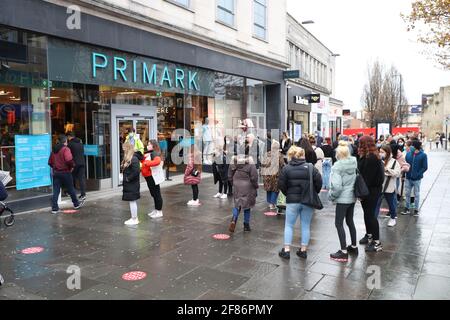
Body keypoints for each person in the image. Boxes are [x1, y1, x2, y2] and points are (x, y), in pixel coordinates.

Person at [278, 146, 322, 260]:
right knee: (306, 225)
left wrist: (288, 193)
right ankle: (303, 250)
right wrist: (314, 192)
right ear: (302, 156)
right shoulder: (311, 167)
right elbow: (319, 182)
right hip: (307, 200)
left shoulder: (286, 169)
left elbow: (281, 185)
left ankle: (286, 250)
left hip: (292, 201)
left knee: (289, 225)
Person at [329, 141, 358, 262]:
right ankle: (354, 246)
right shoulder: (353, 162)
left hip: (342, 199)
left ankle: (343, 251)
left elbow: (337, 186)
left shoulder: (337, 166)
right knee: (350, 221)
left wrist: (331, 196)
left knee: (339, 223)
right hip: (352, 197)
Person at [357, 136, 384, 252]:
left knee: (371, 215)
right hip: (368, 190)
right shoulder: (368, 156)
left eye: (360, 143)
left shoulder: (371, 158)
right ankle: (369, 235)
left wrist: (361, 194)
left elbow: (367, 178)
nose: (358, 146)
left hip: (371, 191)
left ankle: (377, 242)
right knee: (367, 214)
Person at [48, 135, 85, 214]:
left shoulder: (53, 150)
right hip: (65, 172)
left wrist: (55, 167)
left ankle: (54, 208)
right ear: (65, 142)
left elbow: (50, 162)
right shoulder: (66, 149)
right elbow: (69, 160)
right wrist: (72, 166)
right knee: (71, 189)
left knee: (56, 191)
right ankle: (76, 204)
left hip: (56, 173)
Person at [228, 151, 258, 233]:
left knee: (237, 204)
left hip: (237, 184)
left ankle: (234, 219)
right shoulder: (250, 162)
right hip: (247, 185)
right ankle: (246, 225)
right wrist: (255, 186)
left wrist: (233, 183)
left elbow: (229, 175)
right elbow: (254, 177)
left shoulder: (233, 161)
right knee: (247, 206)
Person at [375, 145, 401, 227]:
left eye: (382, 152)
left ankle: (393, 218)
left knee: (391, 204)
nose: (380, 153)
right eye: (380, 152)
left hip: (389, 187)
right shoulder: (379, 161)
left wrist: (387, 169)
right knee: (376, 204)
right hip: (379, 186)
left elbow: (397, 173)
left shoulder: (394, 162)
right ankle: (374, 220)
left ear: (388, 152)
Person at [403, 140, 428, 216]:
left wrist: (418, 174)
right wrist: (405, 173)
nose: (410, 147)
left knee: (416, 194)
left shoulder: (423, 155)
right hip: (408, 177)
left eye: (412, 146)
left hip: (417, 179)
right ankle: (407, 208)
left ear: (415, 147)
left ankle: (416, 210)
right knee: (407, 193)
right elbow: (406, 164)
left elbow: (425, 167)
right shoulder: (408, 154)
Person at [121, 142, 143, 225]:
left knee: (132, 201)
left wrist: (127, 178)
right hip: (130, 183)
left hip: (132, 183)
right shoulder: (130, 158)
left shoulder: (133, 158)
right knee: (132, 201)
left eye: (124, 149)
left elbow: (136, 171)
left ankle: (134, 218)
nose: (123, 151)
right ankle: (134, 218)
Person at [142, 140, 164, 219]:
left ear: (153, 145)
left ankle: (159, 211)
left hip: (153, 177)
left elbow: (157, 161)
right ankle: (156, 210)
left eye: (149, 144)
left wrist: (146, 163)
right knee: (154, 194)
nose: (147, 146)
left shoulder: (154, 153)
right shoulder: (149, 153)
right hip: (149, 177)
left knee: (157, 194)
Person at [261, 140, 284, 211]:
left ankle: (269, 202)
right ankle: (272, 204)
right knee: (275, 189)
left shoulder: (267, 154)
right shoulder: (279, 155)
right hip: (275, 175)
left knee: (269, 188)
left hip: (267, 174)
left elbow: (263, 163)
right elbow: (282, 164)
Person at [67, 132, 86, 201]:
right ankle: (83, 194)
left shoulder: (70, 144)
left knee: (71, 178)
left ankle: (71, 192)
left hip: (74, 164)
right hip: (82, 163)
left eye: (68, 138)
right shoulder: (81, 144)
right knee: (81, 179)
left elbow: (68, 155)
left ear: (69, 137)